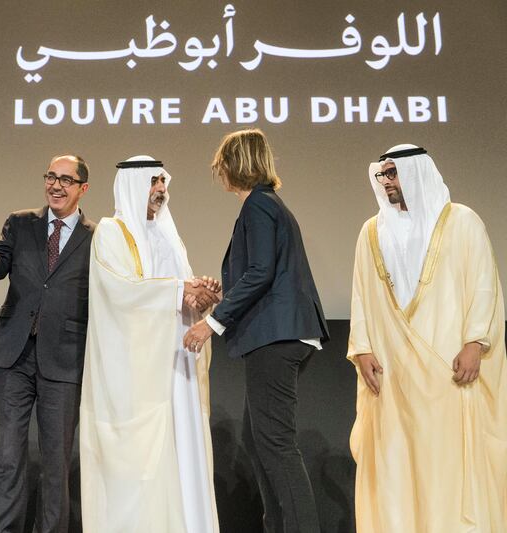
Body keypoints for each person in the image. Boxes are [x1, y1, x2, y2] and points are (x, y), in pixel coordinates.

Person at [347, 144, 507, 532]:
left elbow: (484, 284)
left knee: (446, 464)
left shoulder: (462, 222)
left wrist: (475, 342)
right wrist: (362, 348)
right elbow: (361, 294)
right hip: (392, 376)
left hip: (448, 371)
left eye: (393, 173)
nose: (386, 182)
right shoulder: (372, 231)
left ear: (415, 173)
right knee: (396, 464)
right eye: (382, 174)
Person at [184, 129, 329, 533]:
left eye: (221, 165)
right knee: (259, 440)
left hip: (277, 337)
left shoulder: (259, 207)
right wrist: (222, 295)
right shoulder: (266, 206)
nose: (220, 173)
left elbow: (262, 272)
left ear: (234, 164)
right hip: (280, 333)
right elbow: (263, 273)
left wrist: (211, 323)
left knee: (277, 445)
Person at [80, 156, 221, 533]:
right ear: (132, 185)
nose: (161, 189)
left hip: (177, 366)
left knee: (182, 456)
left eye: (163, 181)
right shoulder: (112, 232)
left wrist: (203, 296)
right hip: (135, 375)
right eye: (153, 181)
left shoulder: (168, 235)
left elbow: (183, 293)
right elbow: (120, 292)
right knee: (141, 465)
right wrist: (180, 291)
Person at [0, 155, 95, 533]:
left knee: (56, 462)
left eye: (66, 180)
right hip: (14, 354)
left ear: (82, 188)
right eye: (51, 177)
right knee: (8, 455)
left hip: (65, 357)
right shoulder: (22, 223)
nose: (56, 185)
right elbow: (1, 258)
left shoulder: (97, 235)